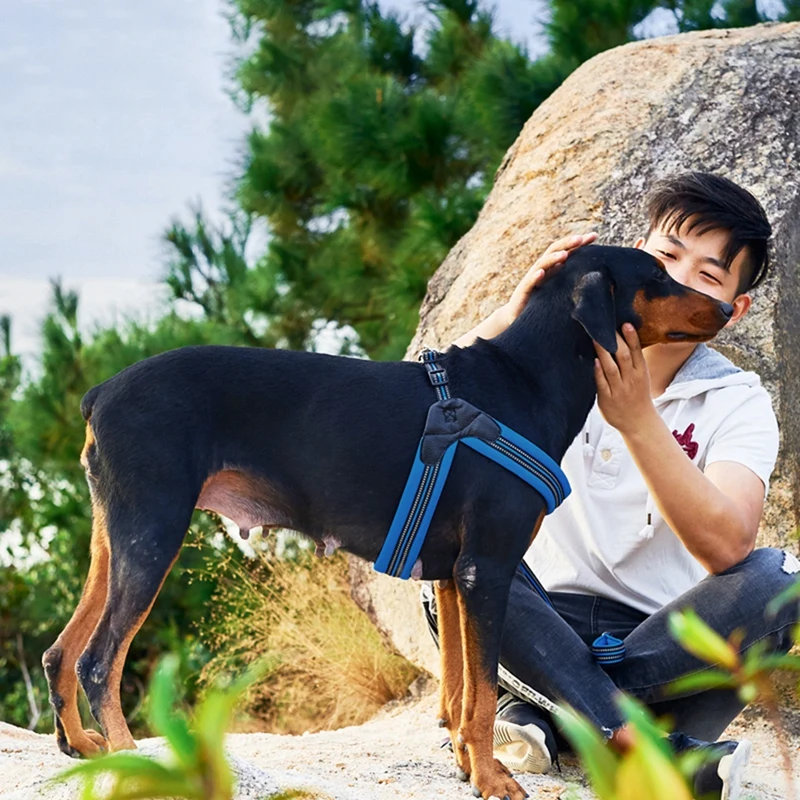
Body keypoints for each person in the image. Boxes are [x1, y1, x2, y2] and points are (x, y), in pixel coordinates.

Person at [421, 172, 799, 800]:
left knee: (781, 582)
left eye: (707, 276)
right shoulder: (545, 355)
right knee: (451, 548)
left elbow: (730, 547)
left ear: (735, 310)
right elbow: (433, 406)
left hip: (664, 641)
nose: (679, 281)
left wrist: (638, 422)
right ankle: (648, 746)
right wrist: (514, 312)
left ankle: (558, 719)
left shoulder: (738, 399)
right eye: (666, 258)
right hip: (536, 617)